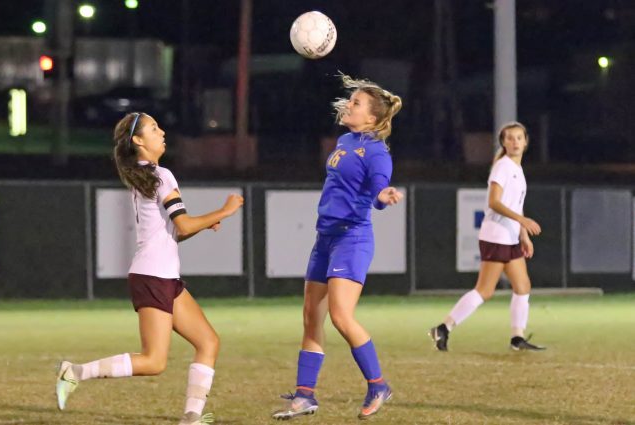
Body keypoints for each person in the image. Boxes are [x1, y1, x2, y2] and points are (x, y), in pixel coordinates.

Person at [54, 112, 244, 425]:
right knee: (154, 361)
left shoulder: (148, 175)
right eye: (154, 129)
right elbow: (182, 225)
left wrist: (207, 222)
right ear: (139, 141)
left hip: (162, 275)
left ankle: (191, 417)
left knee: (208, 341)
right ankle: (74, 372)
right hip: (153, 276)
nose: (162, 132)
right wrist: (224, 210)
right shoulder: (161, 175)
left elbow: (177, 232)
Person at [272, 74, 404, 421]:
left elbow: (378, 185)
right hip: (325, 238)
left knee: (341, 316)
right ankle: (304, 396)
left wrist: (382, 195)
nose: (349, 105)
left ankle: (378, 385)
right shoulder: (345, 139)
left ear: (373, 119)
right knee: (311, 318)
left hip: (352, 238)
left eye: (356, 103)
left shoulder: (376, 152)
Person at [429, 121, 546, 352]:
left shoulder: (517, 169)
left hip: (510, 237)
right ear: (503, 142)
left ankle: (517, 338)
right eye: (510, 138)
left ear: (526, 142)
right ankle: (443, 328)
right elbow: (494, 202)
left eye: (519, 138)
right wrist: (523, 222)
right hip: (496, 235)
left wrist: (524, 235)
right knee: (485, 290)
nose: (515, 142)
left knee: (523, 286)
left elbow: (517, 205)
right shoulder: (502, 166)